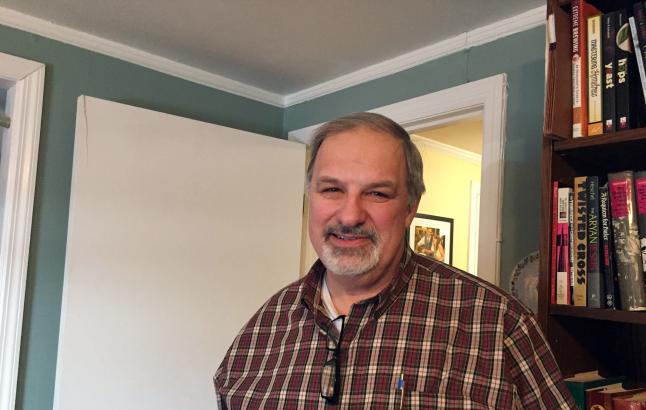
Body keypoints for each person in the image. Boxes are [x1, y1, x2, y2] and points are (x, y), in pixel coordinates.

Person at [214, 113, 575, 409]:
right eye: (332, 189)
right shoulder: (260, 330)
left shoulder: (498, 323)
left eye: (377, 193)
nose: (350, 215)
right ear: (311, 197)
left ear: (409, 209)